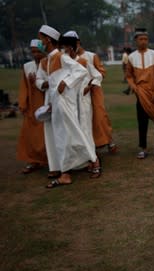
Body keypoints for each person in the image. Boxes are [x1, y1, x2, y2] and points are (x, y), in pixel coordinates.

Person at [35, 25, 100, 187]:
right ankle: (66, 173)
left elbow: (80, 71)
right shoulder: (49, 59)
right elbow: (51, 85)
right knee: (63, 138)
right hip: (56, 103)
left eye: (41, 39)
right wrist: (50, 102)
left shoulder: (60, 57)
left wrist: (66, 82)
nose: (40, 42)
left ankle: (94, 161)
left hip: (65, 102)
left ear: (48, 39)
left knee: (74, 133)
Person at [73, 32, 117, 153]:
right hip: (79, 92)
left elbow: (102, 72)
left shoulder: (91, 56)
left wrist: (91, 83)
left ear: (79, 42)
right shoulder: (70, 58)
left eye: (74, 43)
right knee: (84, 118)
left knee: (100, 116)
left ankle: (109, 141)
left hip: (94, 90)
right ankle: (92, 144)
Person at [126, 28, 154, 159]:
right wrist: (134, 88)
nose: (144, 41)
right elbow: (129, 76)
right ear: (136, 41)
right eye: (141, 39)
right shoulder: (131, 57)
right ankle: (143, 148)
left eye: (146, 39)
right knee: (142, 121)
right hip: (141, 93)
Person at [16, 39, 47, 174]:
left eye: (38, 51)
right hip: (32, 106)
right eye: (33, 51)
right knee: (31, 135)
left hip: (47, 104)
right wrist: (23, 103)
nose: (35, 54)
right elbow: (24, 87)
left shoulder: (48, 64)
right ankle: (33, 161)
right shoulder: (27, 66)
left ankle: (51, 161)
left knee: (47, 135)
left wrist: (38, 82)